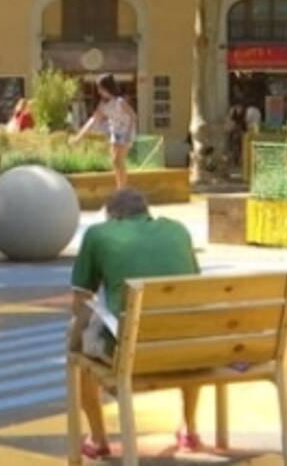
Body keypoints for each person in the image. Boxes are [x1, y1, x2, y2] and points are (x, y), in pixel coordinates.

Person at [69, 189, 203, 458]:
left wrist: (74, 344)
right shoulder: (177, 230)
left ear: (112, 216)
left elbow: (81, 302)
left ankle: (98, 438)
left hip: (132, 350)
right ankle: (189, 427)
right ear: (146, 211)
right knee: (183, 331)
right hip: (191, 347)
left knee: (79, 356)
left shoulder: (99, 235)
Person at [71, 74, 137, 190]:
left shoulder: (120, 102)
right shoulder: (103, 105)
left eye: (100, 88)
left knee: (118, 159)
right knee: (115, 162)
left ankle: (123, 189)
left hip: (126, 132)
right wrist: (79, 137)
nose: (99, 91)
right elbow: (93, 121)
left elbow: (133, 116)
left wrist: (128, 135)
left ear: (107, 87)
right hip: (115, 132)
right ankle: (121, 188)